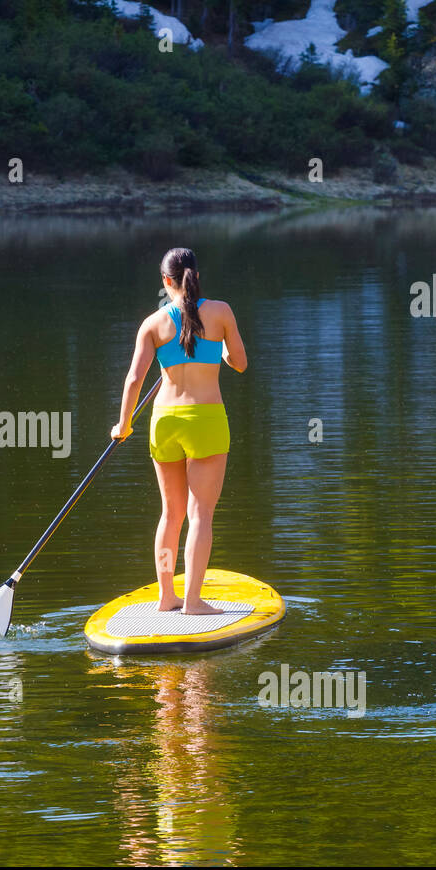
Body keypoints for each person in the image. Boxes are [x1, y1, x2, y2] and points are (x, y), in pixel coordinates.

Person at [111, 247, 247, 614]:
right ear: (196, 275)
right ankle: (193, 603)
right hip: (205, 420)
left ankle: (166, 597)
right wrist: (218, 351)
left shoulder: (152, 324)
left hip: (165, 422)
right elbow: (241, 364)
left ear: (166, 281)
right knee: (200, 513)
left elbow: (134, 379)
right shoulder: (220, 312)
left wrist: (122, 425)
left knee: (170, 514)